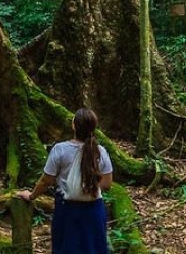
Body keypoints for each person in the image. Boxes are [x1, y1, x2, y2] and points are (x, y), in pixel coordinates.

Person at [16, 108, 113, 254]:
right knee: (93, 248)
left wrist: (31, 196)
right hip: (93, 210)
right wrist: (87, 188)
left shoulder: (60, 150)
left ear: (73, 125)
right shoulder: (100, 151)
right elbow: (107, 184)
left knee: (67, 248)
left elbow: (45, 181)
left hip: (67, 209)